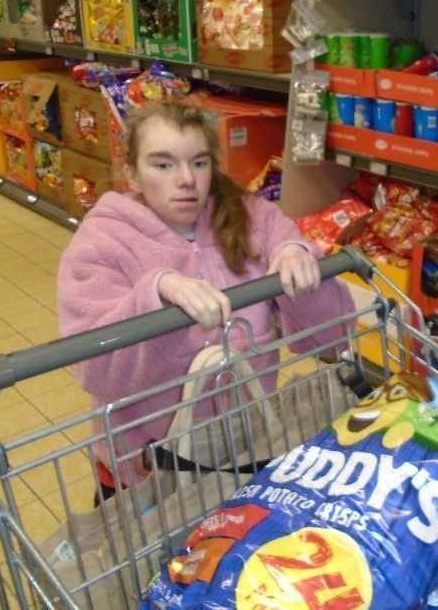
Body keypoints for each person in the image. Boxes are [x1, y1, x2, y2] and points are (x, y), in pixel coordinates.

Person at [57, 102, 355, 498]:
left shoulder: (256, 219)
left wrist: (297, 262)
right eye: (162, 165)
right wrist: (157, 292)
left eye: (198, 163)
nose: (186, 180)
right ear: (131, 173)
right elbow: (97, 372)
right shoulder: (102, 243)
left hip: (245, 455)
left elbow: (332, 340)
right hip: (148, 475)